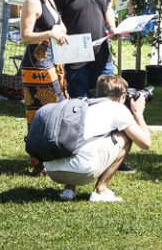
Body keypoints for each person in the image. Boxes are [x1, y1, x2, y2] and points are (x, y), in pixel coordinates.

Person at [44, 73, 152, 202]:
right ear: (121, 97)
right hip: (82, 172)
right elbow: (146, 143)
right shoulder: (117, 108)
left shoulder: (79, 103)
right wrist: (137, 112)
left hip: (54, 171)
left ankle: (69, 190)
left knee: (79, 136)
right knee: (126, 136)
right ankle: (100, 191)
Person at [20, 0, 69, 174]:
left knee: (58, 111)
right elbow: (25, 36)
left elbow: (59, 25)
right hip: (36, 67)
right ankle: (39, 163)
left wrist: (58, 30)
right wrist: (50, 33)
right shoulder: (32, 1)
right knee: (40, 115)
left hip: (53, 63)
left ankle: (54, 157)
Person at [54, 0, 116, 97]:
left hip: (102, 53)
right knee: (80, 102)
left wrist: (112, 27)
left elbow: (107, 7)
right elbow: (55, 18)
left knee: (109, 97)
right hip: (75, 55)